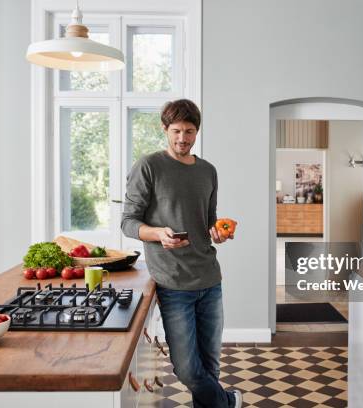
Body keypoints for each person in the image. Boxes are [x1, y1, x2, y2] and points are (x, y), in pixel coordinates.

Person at [121, 99, 241, 408]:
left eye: (189, 131)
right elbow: (128, 222)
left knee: (210, 366)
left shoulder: (208, 171)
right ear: (164, 129)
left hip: (210, 280)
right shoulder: (149, 166)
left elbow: (208, 219)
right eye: (176, 131)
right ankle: (229, 402)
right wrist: (158, 234)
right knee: (188, 369)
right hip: (174, 285)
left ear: (197, 131)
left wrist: (218, 231)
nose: (182, 139)